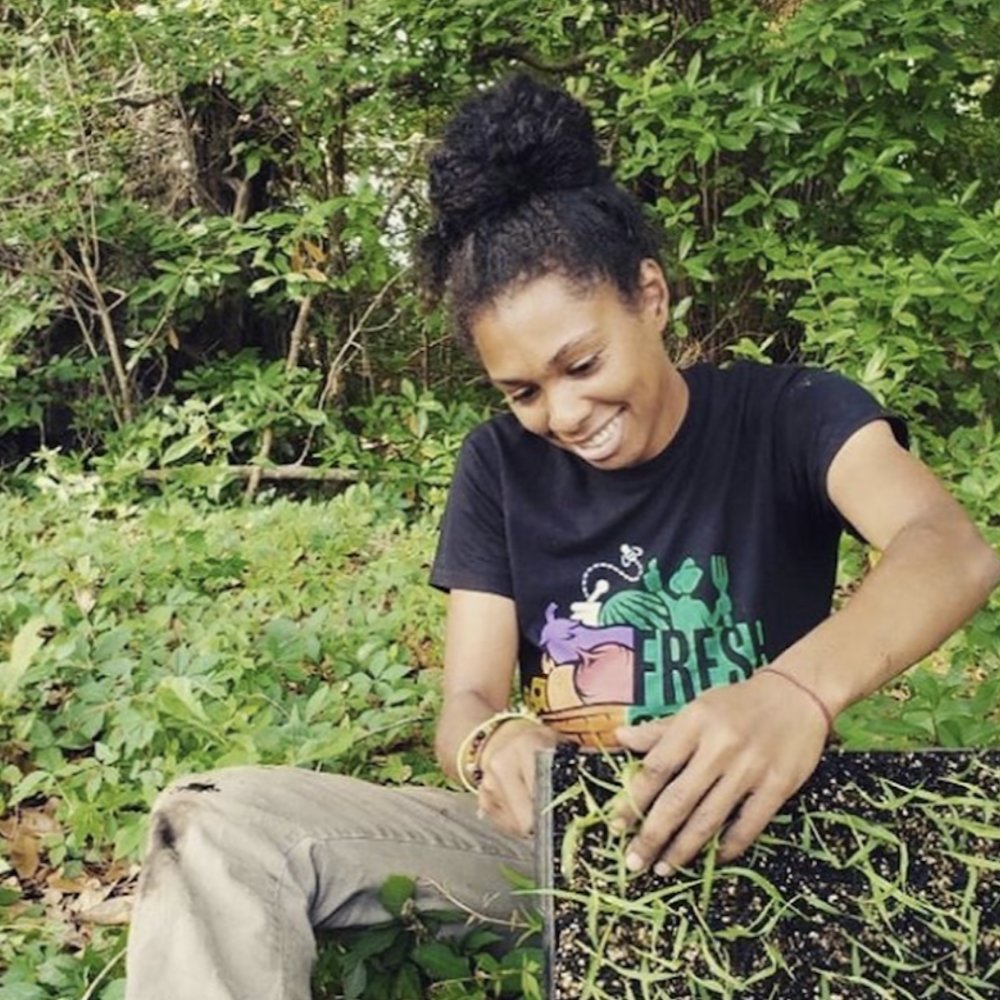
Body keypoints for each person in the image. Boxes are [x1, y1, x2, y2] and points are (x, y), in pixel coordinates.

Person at [123, 74, 1000, 999]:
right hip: (559, 847)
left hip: (762, 839)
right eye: (524, 390)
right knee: (215, 825)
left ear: (650, 297)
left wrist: (792, 696)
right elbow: (467, 691)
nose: (567, 412)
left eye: (582, 363)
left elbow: (946, 545)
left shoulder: (789, 413)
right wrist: (493, 743)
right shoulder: (499, 466)